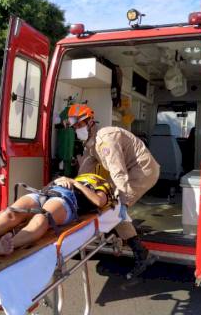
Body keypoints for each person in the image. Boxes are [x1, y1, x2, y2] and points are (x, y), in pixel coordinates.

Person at [67, 103, 160, 279]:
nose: (77, 129)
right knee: (112, 202)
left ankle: (143, 255)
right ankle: (124, 237)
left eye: (80, 125)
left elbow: (118, 171)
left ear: (90, 121)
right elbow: (86, 167)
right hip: (130, 170)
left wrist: (122, 201)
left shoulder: (106, 139)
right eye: (75, 127)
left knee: (114, 207)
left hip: (143, 170)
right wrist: (75, 186)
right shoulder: (92, 143)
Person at [0, 173, 115, 256]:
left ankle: (7, 245)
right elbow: (49, 185)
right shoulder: (80, 175)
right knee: (12, 212)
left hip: (68, 201)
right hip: (47, 192)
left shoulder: (103, 185)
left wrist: (74, 183)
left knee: (42, 218)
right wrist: (58, 181)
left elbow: (99, 202)